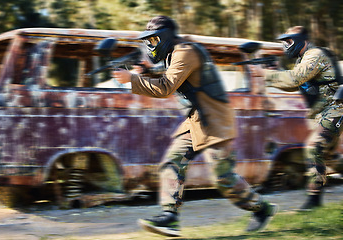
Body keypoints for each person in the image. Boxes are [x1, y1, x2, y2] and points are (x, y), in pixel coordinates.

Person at [113, 15, 277, 237]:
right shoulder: (175, 54)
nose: (150, 46)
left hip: (214, 120)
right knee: (172, 162)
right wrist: (145, 71)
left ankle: (262, 208)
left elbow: (165, 87)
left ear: (164, 37)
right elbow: (175, 77)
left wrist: (131, 79)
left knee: (223, 179)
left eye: (153, 40)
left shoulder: (184, 52)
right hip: (196, 120)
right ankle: (169, 218)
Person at [255, 26, 343, 211]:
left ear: (300, 40)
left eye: (289, 41)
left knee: (313, 146)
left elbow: (295, 79)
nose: (286, 46)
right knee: (333, 158)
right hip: (322, 112)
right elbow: (294, 85)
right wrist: (272, 73)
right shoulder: (303, 59)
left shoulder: (315, 54)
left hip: (335, 108)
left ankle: (313, 201)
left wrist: (267, 74)